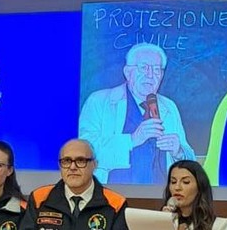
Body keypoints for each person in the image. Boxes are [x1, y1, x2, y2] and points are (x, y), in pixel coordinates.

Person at [79, 42, 196, 187]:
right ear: (128, 72)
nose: (150, 75)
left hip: (160, 197)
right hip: (110, 195)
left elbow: (192, 164)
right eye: (144, 68)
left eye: (157, 70)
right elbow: (83, 154)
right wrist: (132, 139)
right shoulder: (99, 101)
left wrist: (178, 151)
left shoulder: (169, 107)